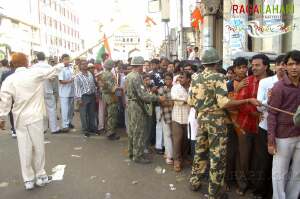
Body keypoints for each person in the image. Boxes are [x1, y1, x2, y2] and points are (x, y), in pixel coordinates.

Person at [188, 48, 260, 199]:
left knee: (200, 151)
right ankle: (214, 192)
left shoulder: (195, 77)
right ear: (216, 63)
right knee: (217, 156)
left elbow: (190, 101)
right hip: (216, 121)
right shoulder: (218, 77)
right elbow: (224, 102)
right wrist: (247, 100)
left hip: (201, 118)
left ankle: (194, 181)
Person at [0, 52, 64, 190]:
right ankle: (41, 176)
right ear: (26, 62)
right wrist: (61, 64)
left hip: (19, 119)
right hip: (35, 117)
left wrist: (2, 117)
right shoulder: (34, 74)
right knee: (38, 147)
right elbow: (52, 72)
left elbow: (4, 101)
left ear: (13, 64)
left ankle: (28, 180)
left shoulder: (9, 80)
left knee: (24, 149)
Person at [235, 54, 272, 196]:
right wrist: (255, 113)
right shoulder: (247, 81)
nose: (253, 68)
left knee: (259, 158)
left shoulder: (272, 82)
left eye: (257, 65)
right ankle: (242, 184)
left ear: (266, 66)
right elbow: (240, 103)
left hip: (264, 127)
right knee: (243, 156)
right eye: (253, 65)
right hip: (246, 124)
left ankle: (257, 185)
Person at [268, 50, 300, 199]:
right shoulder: (279, 87)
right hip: (283, 136)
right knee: (280, 172)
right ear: (285, 66)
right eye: (291, 64)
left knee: (298, 172)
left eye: (298, 64)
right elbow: (272, 114)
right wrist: (271, 140)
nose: (295, 67)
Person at [255, 54, 285, 198]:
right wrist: (269, 98)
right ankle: (260, 191)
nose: (282, 67)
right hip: (266, 127)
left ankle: (276, 193)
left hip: (285, 131)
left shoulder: (295, 84)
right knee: (264, 162)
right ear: (275, 66)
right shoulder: (266, 82)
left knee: (280, 165)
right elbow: (259, 107)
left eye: (286, 64)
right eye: (280, 64)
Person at [125, 56, 165, 164]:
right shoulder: (137, 77)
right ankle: (138, 156)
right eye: (142, 65)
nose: (143, 67)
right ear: (138, 66)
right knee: (139, 131)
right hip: (137, 105)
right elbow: (143, 95)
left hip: (131, 104)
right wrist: (157, 98)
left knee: (133, 130)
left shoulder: (128, 76)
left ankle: (132, 152)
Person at [31, 52, 60, 134]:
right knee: (51, 109)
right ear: (45, 58)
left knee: (39, 110)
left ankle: (42, 128)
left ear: (37, 58)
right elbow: (53, 79)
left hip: (37, 91)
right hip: (48, 90)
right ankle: (54, 128)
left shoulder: (33, 67)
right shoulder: (49, 67)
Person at [171, 71, 191, 172]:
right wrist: (186, 100)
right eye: (180, 77)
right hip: (177, 117)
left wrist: (185, 100)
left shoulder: (192, 88)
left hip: (188, 117)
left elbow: (192, 100)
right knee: (177, 140)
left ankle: (184, 157)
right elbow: (175, 99)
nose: (180, 79)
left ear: (188, 79)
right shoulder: (175, 87)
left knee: (186, 140)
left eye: (183, 78)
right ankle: (177, 161)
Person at [97, 59, 120, 140]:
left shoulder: (101, 74)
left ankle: (109, 130)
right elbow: (112, 88)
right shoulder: (109, 75)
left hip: (105, 95)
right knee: (112, 114)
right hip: (111, 96)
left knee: (108, 114)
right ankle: (111, 132)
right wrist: (118, 87)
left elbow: (101, 86)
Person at [74, 58, 98, 137]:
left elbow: (93, 85)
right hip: (83, 97)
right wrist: (79, 99)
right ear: (79, 66)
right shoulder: (77, 76)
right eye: (83, 64)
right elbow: (77, 88)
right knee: (83, 114)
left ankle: (92, 128)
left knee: (92, 113)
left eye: (85, 64)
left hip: (91, 96)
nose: (85, 65)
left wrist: (96, 94)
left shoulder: (90, 73)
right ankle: (85, 130)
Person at [158, 72, 174, 165]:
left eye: (169, 79)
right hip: (166, 114)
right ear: (164, 80)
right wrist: (172, 103)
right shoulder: (161, 89)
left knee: (173, 136)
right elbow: (161, 102)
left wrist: (169, 102)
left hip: (175, 115)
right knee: (167, 135)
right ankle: (169, 156)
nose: (168, 81)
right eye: (166, 79)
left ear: (172, 80)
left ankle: (170, 153)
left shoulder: (175, 88)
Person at [58, 54, 75, 132]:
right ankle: (65, 125)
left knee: (71, 110)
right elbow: (61, 81)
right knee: (65, 110)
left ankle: (69, 122)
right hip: (64, 93)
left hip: (71, 92)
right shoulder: (61, 69)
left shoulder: (71, 68)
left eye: (68, 59)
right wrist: (70, 81)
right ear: (62, 60)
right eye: (65, 59)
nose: (67, 61)